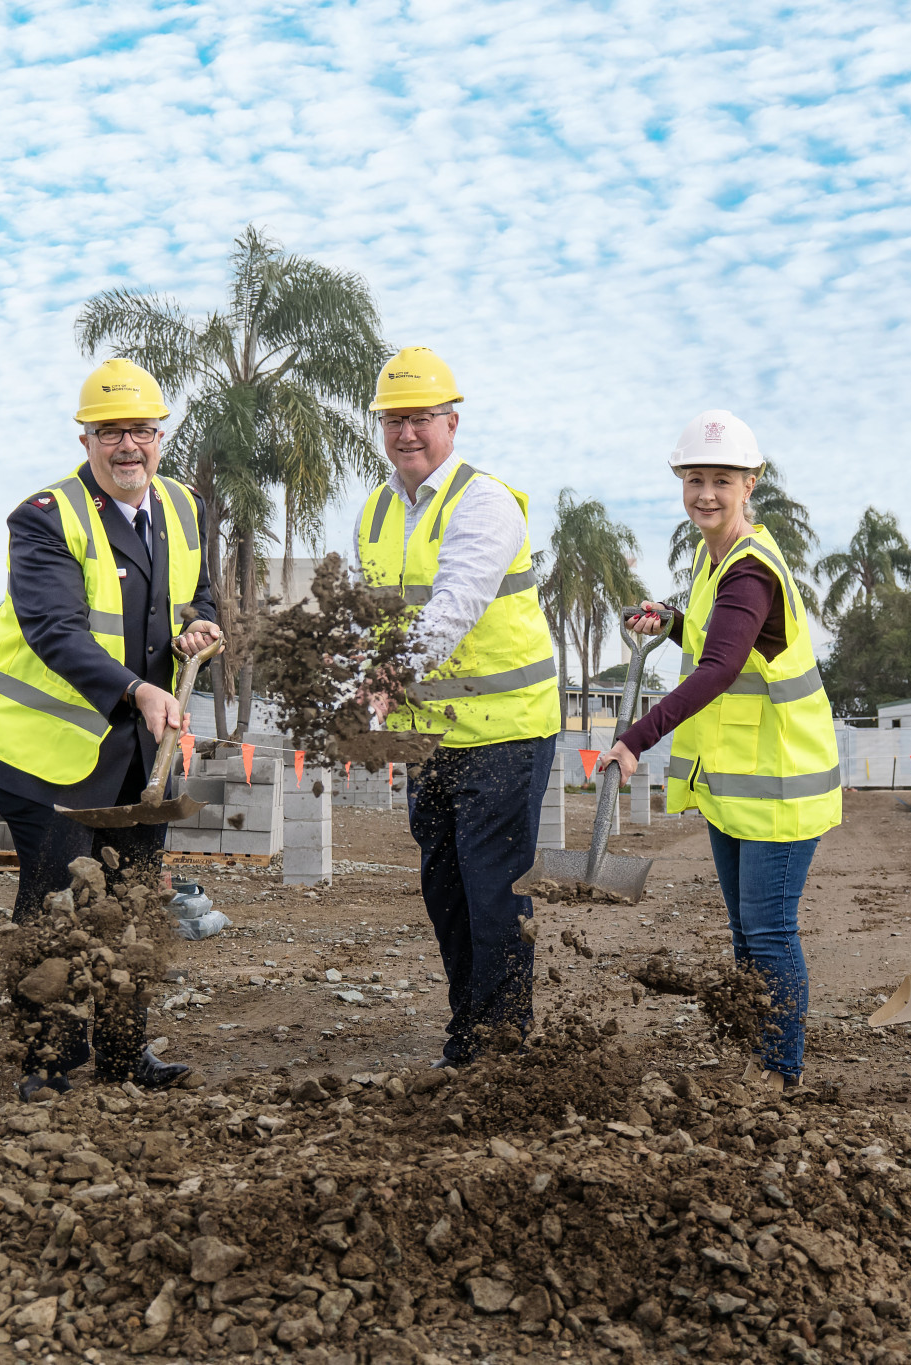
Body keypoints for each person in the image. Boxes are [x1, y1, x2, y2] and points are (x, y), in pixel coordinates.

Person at [0, 357, 221, 1100]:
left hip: (136, 753)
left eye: (140, 429)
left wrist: (200, 623)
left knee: (133, 898)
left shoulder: (184, 507)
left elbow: (195, 593)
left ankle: (121, 1054)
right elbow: (55, 630)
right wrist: (139, 689)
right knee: (58, 901)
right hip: (40, 747)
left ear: (161, 436)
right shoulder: (44, 519)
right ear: (86, 440)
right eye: (110, 432)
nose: (127, 446)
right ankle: (46, 1063)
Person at [603, 410, 841, 1088]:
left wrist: (636, 738)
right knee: (746, 937)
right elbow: (715, 643)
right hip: (741, 781)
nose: (706, 493)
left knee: (768, 934)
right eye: (695, 479)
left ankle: (782, 1073)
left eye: (722, 480)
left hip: (781, 781)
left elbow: (720, 669)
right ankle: (764, 1061)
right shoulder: (718, 563)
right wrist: (674, 621)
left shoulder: (749, 570)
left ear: (751, 482)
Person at [356, 347, 561, 1067]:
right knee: (445, 891)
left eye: (420, 417)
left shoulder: (483, 501)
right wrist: (354, 669)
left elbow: (455, 607)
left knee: (492, 893)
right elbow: (377, 615)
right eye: (393, 419)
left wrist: (389, 674)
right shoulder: (378, 510)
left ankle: (502, 1048)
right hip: (428, 741)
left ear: (451, 420)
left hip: (505, 733)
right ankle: (468, 1030)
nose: (406, 432)